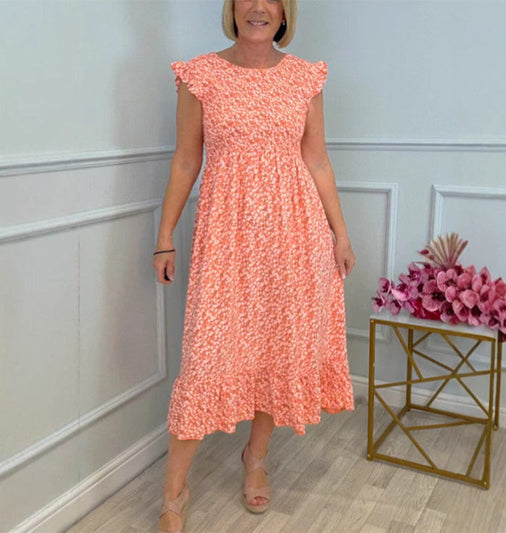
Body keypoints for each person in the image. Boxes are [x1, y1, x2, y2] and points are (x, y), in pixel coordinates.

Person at [153, 0, 356, 531]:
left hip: (295, 238)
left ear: (285, 12)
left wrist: (340, 232)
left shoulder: (305, 78)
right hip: (227, 242)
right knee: (204, 361)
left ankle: (256, 457)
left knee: (276, 348)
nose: (258, 6)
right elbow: (186, 160)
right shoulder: (200, 76)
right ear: (233, 7)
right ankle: (173, 493)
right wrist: (164, 237)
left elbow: (317, 159)